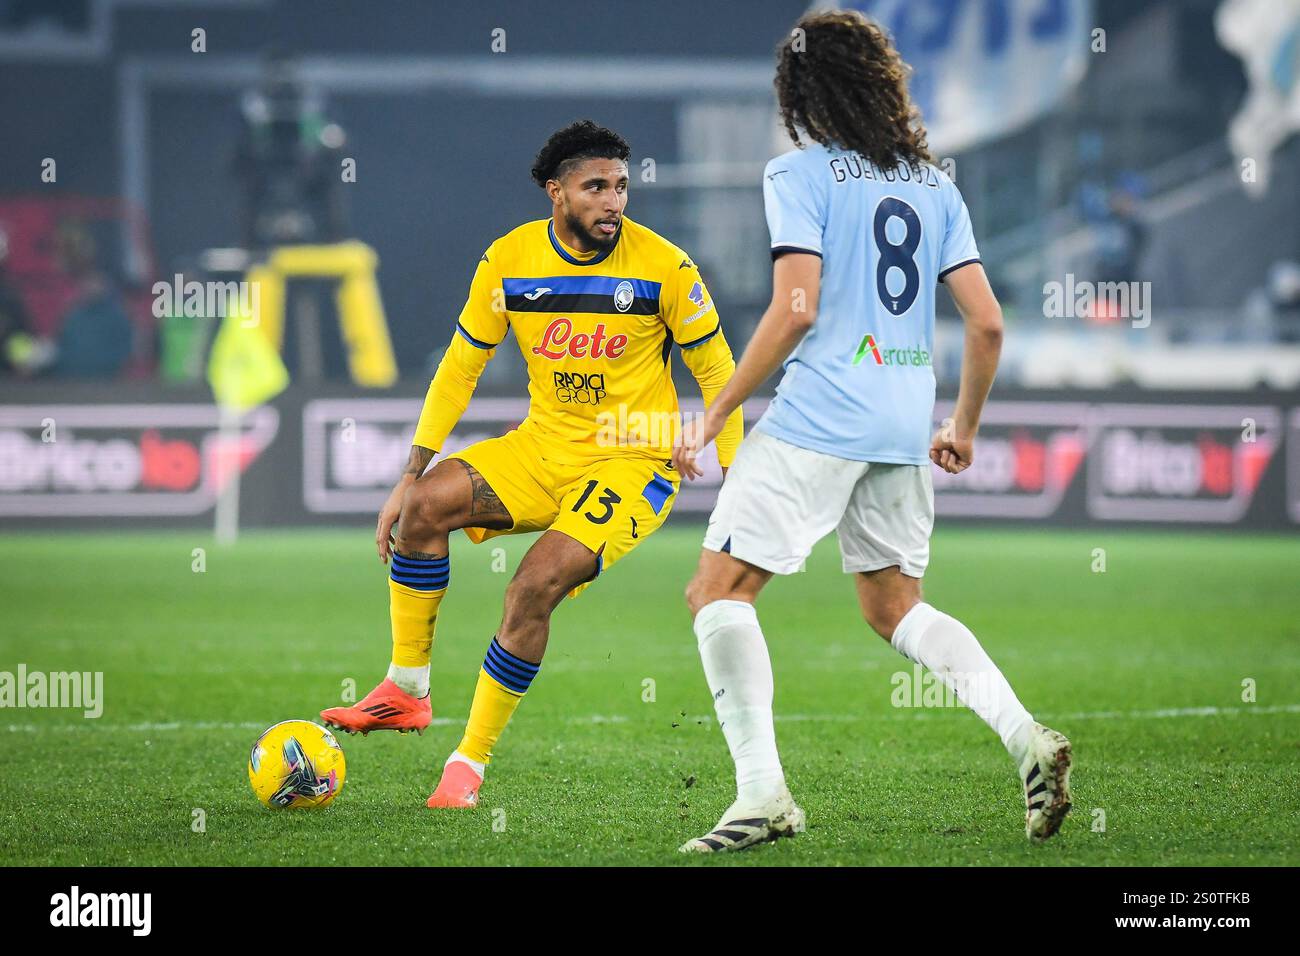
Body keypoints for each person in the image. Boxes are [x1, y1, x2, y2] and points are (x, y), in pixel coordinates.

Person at [672, 10, 1072, 853]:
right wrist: (959, 427)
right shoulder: (936, 187)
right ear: (880, 82)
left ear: (802, 95)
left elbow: (796, 306)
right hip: (901, 417)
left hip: (821, 412)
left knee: (717, 591)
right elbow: (989, 324)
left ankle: (763, 796)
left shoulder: (798, 173)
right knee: (894, 606)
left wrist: (717, 410)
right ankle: (1025, 737)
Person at [321, 120, 743, 809]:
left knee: (531, 587)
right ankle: (407, 688)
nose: (614, 202)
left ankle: (468, 764)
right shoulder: (510, 261)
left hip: (633, 463)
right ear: (557, 192)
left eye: (623, 187)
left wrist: (739, 481)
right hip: (540, 448)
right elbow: (461, 367)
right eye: (596, 187)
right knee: (424, 508)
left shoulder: (666, 267)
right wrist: (408, 474)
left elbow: (718, 369)